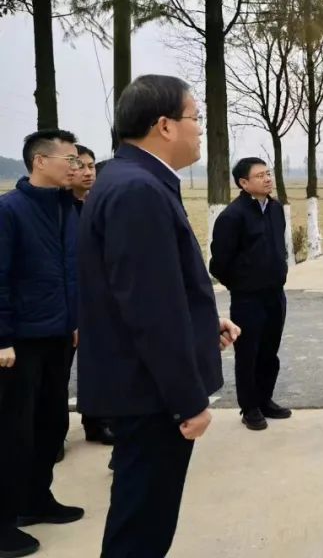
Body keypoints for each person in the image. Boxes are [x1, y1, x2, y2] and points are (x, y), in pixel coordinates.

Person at [76, 74, 240, 557]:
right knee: (141, 530)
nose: (200, 129)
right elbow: (149, 310)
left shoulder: (130, 180)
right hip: (149, 395)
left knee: (142, 521)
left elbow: (145, 288)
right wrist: (187, 402)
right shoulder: (138, 191)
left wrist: (204, 325)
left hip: (142, 386)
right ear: (165, 126)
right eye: (195, 117)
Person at [0, 129, 84, 558]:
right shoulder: (10, 210)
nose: (77, 167)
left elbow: (72, 271)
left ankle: (37, 500)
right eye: (69, 160)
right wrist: (3, 338)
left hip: (58, 336)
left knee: (51, 425)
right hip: (19, 344)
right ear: (40, 162)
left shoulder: (68, 208)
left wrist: (75, 320)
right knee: (13, 432)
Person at [209, 157, 291, 431]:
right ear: (243, 183)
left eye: (268, 174)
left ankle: (265, 399)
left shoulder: (276, 209)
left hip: (275, 294)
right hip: (248, 298)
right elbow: (219, 263)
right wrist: (242, 285)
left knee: (270, 351)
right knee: (249, 354)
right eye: (260, 176)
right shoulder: (232, 216)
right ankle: (250, 407)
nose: (267, 179)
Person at [65, 145, 117, 449]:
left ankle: (97, 422)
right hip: (66, 302)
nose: (87, 172)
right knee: (57, 373)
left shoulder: (98, 205)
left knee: (98, 366)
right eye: (80, 166)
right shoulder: (59, 208)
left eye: (91, 166)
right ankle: (52, 434)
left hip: (99, 300)